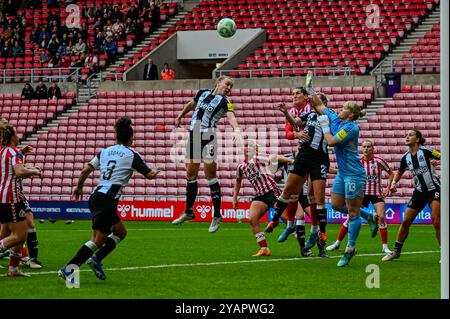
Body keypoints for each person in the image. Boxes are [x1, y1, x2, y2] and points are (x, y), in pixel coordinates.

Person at [58, 117, 159, 282]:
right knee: (97, 240)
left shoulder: (104, 151)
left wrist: (79, 187)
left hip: (96, 197)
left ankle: (96, 259)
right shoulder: (132, 154)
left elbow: (85, 170)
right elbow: (149, 175)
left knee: (120, 232)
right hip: (107, 200)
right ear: (131, 138)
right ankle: (69, 268)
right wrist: (156, 170)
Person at [172, 75, 241, 233]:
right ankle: (189, 211)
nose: (229, 88)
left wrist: (236, 130)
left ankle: (216, 215)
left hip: (208, 136)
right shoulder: (202, 92)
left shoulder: (225, 102)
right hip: (194, 135)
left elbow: (231, 117)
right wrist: (180, 115)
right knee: (190, 175)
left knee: (210, 176)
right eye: (227, 84)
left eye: (231, 86)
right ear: (218, 82)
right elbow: (192, 104)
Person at [269, 86, 330, 258]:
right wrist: (295, 132)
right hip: (303, 158)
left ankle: (318, 239)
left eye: (297, 94)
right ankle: (291, 228)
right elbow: (290, 129)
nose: (294, 96)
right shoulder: (306, 114)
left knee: (314, 201)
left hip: (317, 161)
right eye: (293, 94)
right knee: (294, 196)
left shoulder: (327, 115)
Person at [309, 93, 367, 267]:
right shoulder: (335, 118)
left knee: (352, 212)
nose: (339, 110)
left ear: (350, 114)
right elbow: (319, 106)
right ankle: (370, 217)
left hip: (354, 174)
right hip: (343, 173)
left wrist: (325, 128)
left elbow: (332, 141)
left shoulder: (351, 128)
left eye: (343, 109)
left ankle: (350, 249)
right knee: (335, 204)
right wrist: (311, 91)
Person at [382, 129, 440, 261]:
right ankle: (396, 251)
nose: (407, 137)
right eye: (406, 135)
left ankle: (445, 252)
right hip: (419, 192)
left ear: (418, 139)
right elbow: (400, 171)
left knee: (436, 221)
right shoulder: (405, 158)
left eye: (411, 135)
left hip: (434, 189)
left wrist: (438, 161)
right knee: (406, 221)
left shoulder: (427, 151)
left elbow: (443, 156)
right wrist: (394, 183)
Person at [326, 139, 394, 254]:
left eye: (368, 146)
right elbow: (344, 171)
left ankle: (385, 247)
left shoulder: (379, 161)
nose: (366, 148)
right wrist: (330, 170)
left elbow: (391, 173)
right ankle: (337, 243)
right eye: (364, 147)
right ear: (361, 149)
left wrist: (389, 187)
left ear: (373, 149)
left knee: (381, 216)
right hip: (361, 193)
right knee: (351, 217)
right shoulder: (358, 162)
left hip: (376, 194)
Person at [233, 139, 294, 256]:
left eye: (249, 146)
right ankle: (264, 248)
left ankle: (303, 242)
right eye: (245, 146)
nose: (246, 148)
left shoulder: (258, 157)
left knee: (286, 218)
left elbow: (274, 157)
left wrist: (291, 160)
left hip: (272, 191)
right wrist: (234, 197)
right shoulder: (241, 166)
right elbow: (238, 181)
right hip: (260, 195)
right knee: (252, 219)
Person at [0, 119, 42, 277]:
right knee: (20, 235)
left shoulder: (3, 151)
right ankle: (14, 267)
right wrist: (34, 172)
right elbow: (18, 172)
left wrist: (25, 163)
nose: (18, 136)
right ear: (12, 136)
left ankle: (13, 269)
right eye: (16, 133)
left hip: (4, 196)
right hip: (12, 198)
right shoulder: (13, 151)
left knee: (6, 232)